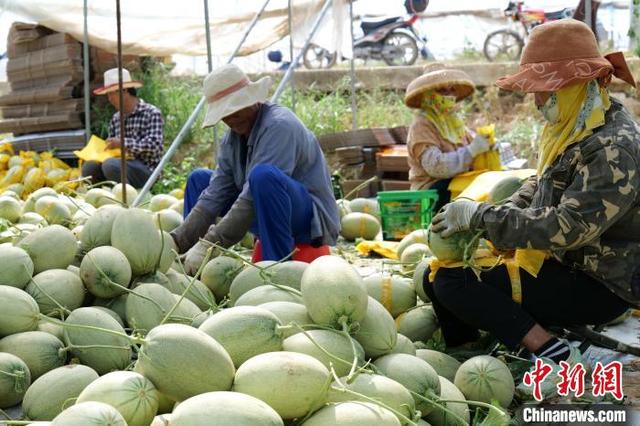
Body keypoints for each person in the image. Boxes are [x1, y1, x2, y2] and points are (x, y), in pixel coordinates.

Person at [425, 19, 638, 394]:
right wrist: (495, 214)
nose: (537, 100)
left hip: (602, 285)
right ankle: (477, 353)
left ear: (572, 86)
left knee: (452, 281)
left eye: (543, 90)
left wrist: (485, 219)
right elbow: (541, 184)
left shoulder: (612, 146)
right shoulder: (580, 124)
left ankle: (550, 349)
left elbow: (568, 227)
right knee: (436, 276)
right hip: (567, 265)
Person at [170, 64, 340, 274]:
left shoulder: (279, 126)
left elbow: (251, 196)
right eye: (225, 113)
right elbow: (215, 194)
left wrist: (211, 244)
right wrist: (176, 240)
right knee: (200, 179)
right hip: (262, 207)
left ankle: (275, 271)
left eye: (235, 109)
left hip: (308, 221)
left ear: (251, 99)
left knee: (263, 176)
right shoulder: (231, 139)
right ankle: (188, 265)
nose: (230, 118)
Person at [405, 63, 491, 211]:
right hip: (432, 193)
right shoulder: (422, 125)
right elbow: (436, 167)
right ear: (428, 94)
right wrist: (472, 150)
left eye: (451, 90)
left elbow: (475, 146)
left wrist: (489, 146)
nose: (448, 95)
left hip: (456, 183)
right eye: (442, 91)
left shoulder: (454, 123)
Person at [83, 68, 164, 188]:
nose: (109, 99)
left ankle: (130, 198)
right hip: (120, 165)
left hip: (147, 170)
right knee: (90, 166)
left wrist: (122, 143)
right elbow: (112, 150)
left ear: (124, 91)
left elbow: (155, 146)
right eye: (108, 94)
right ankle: (101, 198)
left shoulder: (151, 113)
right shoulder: (116, 118)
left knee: (110, 165)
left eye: (111, 93)